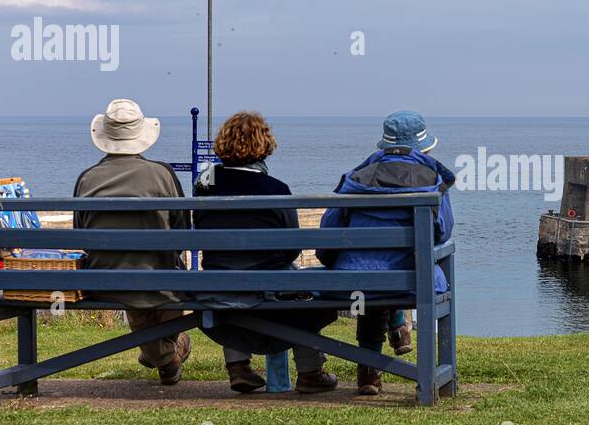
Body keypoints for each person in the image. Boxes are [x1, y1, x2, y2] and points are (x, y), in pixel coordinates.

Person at [192, 111, 338, 394]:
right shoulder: (275, 189)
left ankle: (238, 367)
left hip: (215, 284)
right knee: (302, 293)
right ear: (264, 145)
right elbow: (291, 247)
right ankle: (310, 371)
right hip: (267, 287)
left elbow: (201, 219)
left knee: (229, 281)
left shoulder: (206, 182)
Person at [317, 110, 454, 396]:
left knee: (370, 281)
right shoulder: (431, 179)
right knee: (396, 275)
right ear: (424, 147)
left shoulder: (356, 177)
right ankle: (405, 346)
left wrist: (331, 261)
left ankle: (368, 372)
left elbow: (329, 228)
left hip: (354, 281)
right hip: (412, 281)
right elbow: (442, 232)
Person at [73, 99, 192, 385]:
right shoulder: (162, 174)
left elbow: (81, 235)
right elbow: (182, 232)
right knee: (164, 269)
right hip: (158, 279)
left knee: (130, 272)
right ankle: (166, 354)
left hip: (106, 282)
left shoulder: (87, 179)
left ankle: (159, 354)